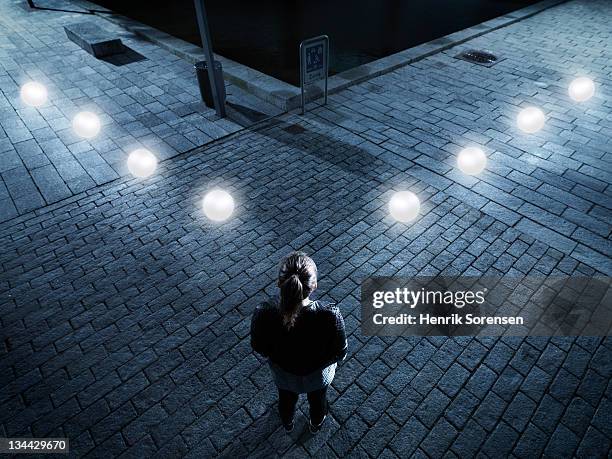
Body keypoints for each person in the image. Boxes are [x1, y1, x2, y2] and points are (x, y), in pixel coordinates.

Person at [250, 252, 348, 433]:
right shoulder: (330, 314)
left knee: (286, 400)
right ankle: (315, 425)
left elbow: (258, 346)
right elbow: (340, 352)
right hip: (318, 377)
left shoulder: (263, 312)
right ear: (314, 286)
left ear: (280, 284)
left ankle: (287, 424)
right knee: (318, 400)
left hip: (283, 375)